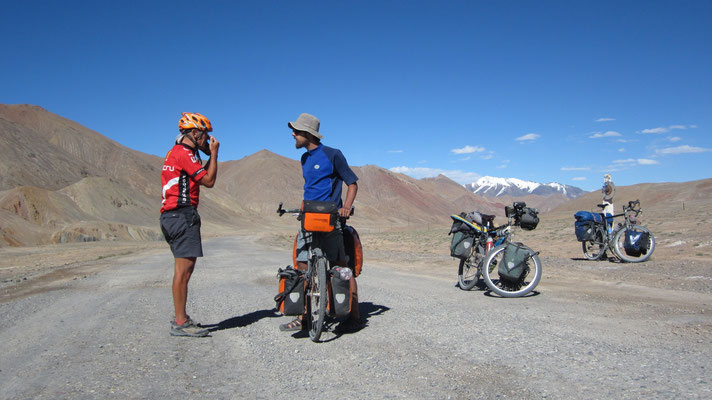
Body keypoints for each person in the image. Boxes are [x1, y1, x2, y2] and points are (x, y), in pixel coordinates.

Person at [279, 113, 362, 333]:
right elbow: (311, 189)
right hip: (308, 219)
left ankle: (354, 316)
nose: (293, 135)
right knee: (303, 266)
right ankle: (304, 317)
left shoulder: (332, 154)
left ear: (307, 134)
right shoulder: (304, 158)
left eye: (296, 131)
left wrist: (346, 207)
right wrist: (302, 209)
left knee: (342, 268)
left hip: (331, 220)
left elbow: (352, 183)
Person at [160, 112, 220, 337]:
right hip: (182, 216)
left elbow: (198, 174)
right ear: (194, 133)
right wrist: (214, 154)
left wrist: (204, 152)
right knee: (183, 271)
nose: (207, 139)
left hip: (172, 216)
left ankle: (180, 318)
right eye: (204, 135)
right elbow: (209, 181)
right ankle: (180, 322)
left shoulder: (177, 151)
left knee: (183, 270)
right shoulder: (185, 153)